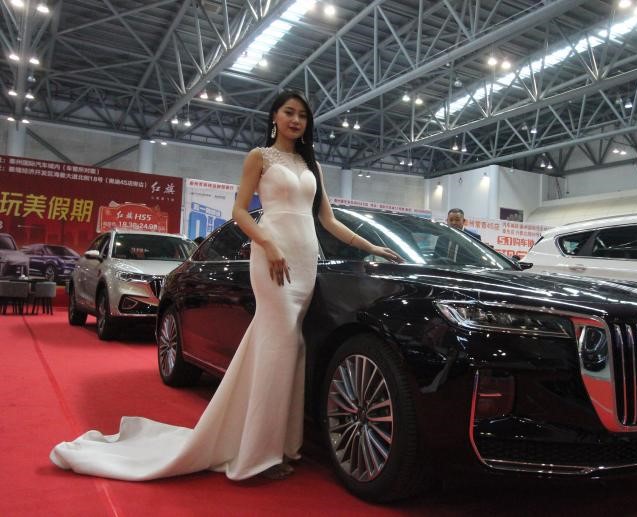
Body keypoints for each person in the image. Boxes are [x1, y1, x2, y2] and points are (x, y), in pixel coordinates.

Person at [49, 90, 401, 482]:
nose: (296, 120)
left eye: (302, 115)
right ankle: (258, 455)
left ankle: (280, 445)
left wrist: (370, 247)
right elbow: (239, 210)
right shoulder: (259, 157)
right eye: (289, 112)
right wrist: (267, 244)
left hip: (305, 262)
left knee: (288, 351)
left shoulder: (311, 164)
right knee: (277, 349)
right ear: (274, 117)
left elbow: (328, 221)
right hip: (272, 257)